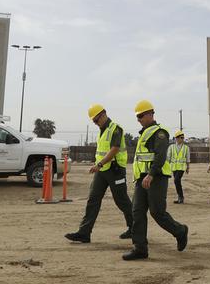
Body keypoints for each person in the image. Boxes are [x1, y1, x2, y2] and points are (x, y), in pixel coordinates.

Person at [124, 100, 189, 261]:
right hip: (142, 179)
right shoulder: (144, 133)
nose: (138, 119)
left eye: (140, 116)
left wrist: (151, 174)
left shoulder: (160, 133)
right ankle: (140, 248)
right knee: (137, 211)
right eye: (137, 116)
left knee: (157, 212)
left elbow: (160, 156)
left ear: (150, 114)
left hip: (156, 178)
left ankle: (180, 231)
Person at [65, 104, 133, 243]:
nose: (96, 123)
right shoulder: (102, 130)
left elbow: (114, 149)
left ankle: (136, 228)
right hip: (102, 171)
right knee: (93, 200)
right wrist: (98, 164)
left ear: (103, 114)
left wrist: (99, 164)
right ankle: (84, 233)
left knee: (122, 201)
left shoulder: (115, 128)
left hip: (115, 170)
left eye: (96, 120)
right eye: (94, 121)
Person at [168, 130, 190, 204]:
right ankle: (179, 197)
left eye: (183, 137)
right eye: (181, 137)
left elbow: (187, 158)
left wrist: (188, 167)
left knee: (176, 180)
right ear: (176, 138)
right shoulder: (171, 147)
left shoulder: (186, 148)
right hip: (174, 167)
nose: (182, 139)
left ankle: (181, 197)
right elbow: (168, 157)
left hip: (181, 167)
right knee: (177, 182)